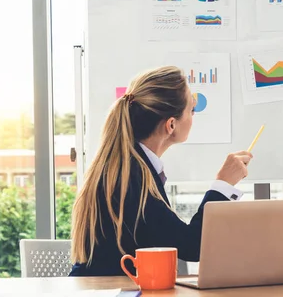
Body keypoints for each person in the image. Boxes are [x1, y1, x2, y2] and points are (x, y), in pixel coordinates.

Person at [69, 66, 252, 276]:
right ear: (171, 125)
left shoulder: (127, 165)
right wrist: (223, 185)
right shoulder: (132, 176)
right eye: (191, 110)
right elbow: (192, 245)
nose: (194, 117)